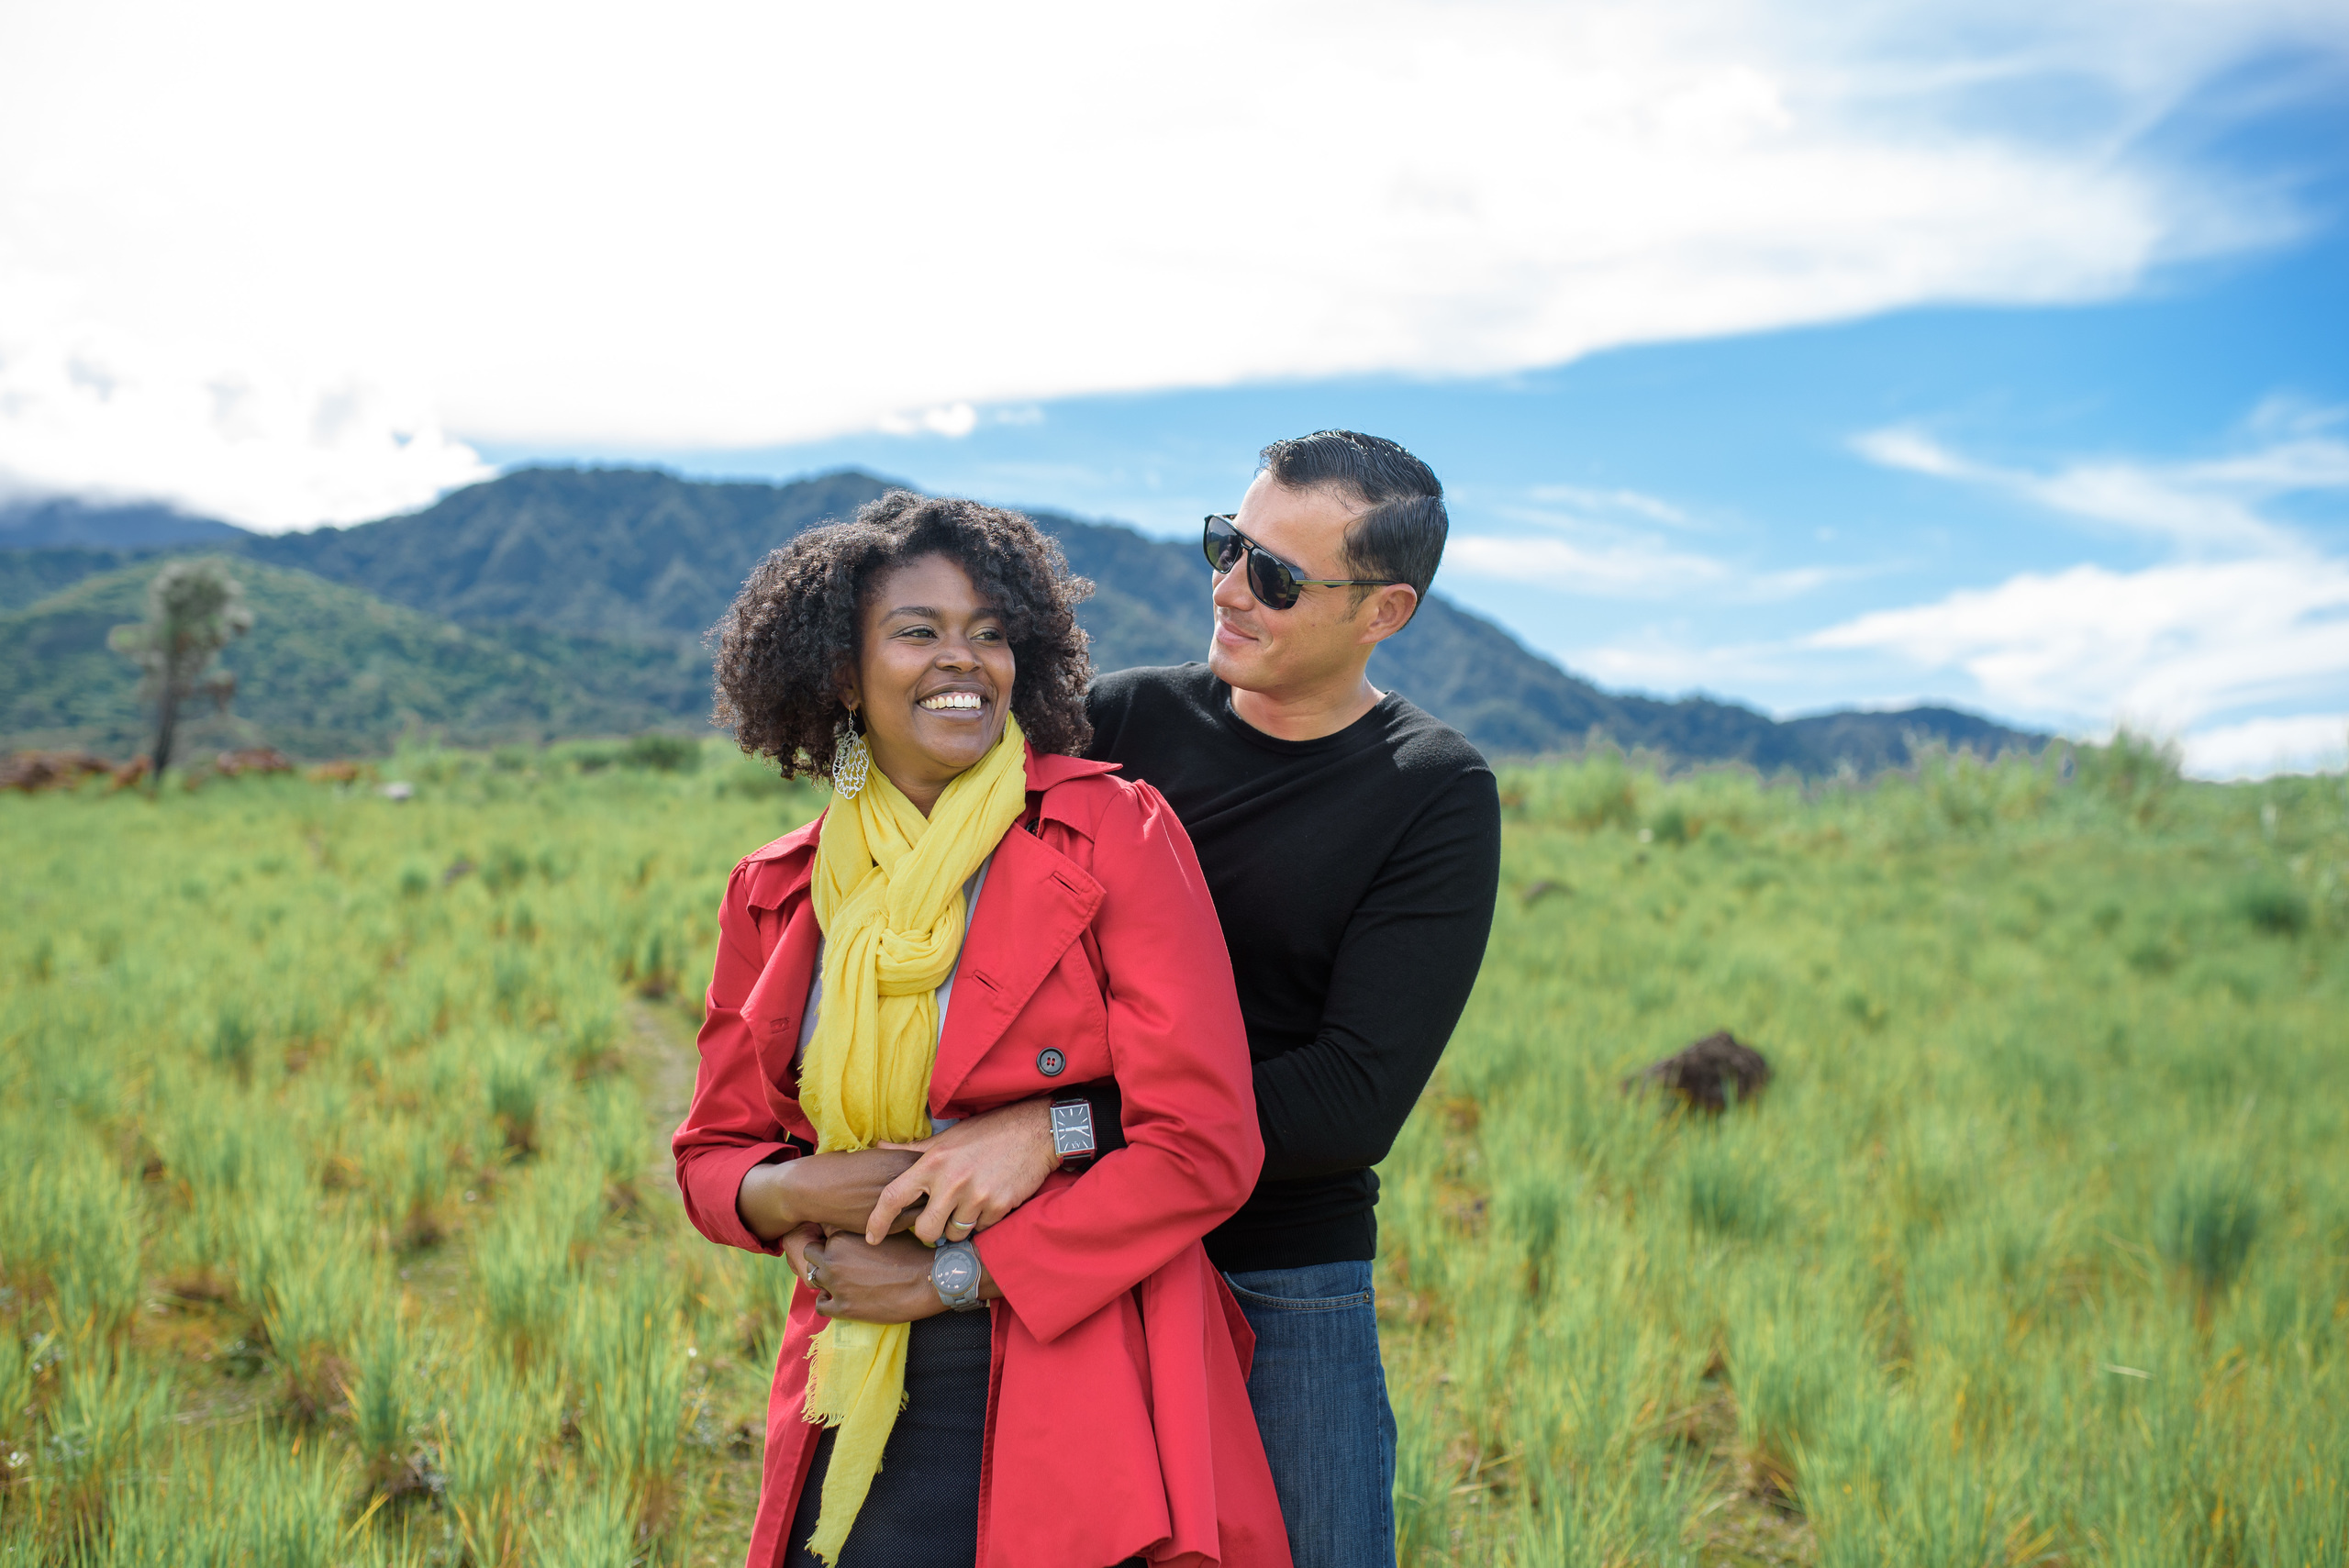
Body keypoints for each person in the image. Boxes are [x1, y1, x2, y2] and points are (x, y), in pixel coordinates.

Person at [867, 432, 1501, 1568]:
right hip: (1071, 1251)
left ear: (1385, 612)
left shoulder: (1430, 791)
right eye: (1229, 544)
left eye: (1276, 577)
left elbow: (1349, 1097)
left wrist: (1058, 1130)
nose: (1227, 590)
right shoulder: (1115, 725)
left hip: (1273, 1273)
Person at [672, 493, 1292, 1568]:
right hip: (852, 1355)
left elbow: (1203, 1142)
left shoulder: (1109, 831)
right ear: (837, 670)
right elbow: (715, 1155)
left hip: (1077, 1365)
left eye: (990, 631)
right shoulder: (774, 888)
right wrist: (804, 1191)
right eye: (917, 631)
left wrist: (956, 1271)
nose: (963, 659)